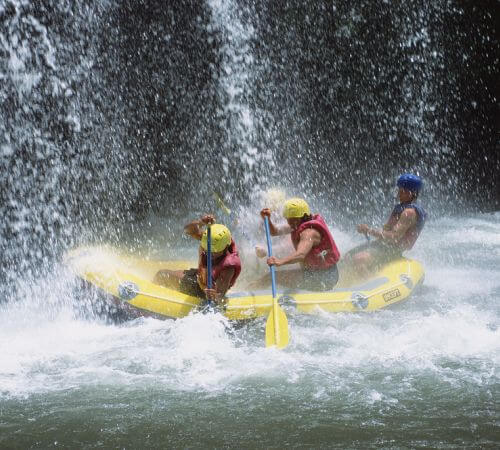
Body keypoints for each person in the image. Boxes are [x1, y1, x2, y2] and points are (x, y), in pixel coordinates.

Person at [348, 173, 427, 275]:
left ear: (410, 193)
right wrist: (369, 232)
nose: (398, 194)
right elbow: (386, 231)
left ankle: (368, 286)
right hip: (384, 246)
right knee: (347, 256)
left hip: (394, 250)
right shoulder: (400, 208)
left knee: (359, 259)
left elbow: (394, 237)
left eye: (402, 191)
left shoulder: (409, 213)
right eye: (399, 190)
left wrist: (369, 230)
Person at [153, 215, 241, 304]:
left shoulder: (229, 267)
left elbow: (220, 296)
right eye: (207, 249)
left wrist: (214, 296)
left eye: (214, 251)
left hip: (201, 290)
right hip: (199, 276)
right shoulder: (210, 240)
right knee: (161, 274)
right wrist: (201, 222)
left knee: (161, 275)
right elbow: (188, 230)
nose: (209, 253)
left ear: (225, 248)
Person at [258, 197, 341, 291]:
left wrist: (280, 262)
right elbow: (274, 231)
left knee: (270, 278)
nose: (288, 222)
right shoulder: (296, 224)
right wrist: (268, 219)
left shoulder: (309, 233)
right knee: (272, 277)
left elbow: (301, 255)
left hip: (324, 277)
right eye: (288, 219)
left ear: (301, 217)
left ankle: (244, 293)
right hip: (314, 273)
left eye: (291, 219)